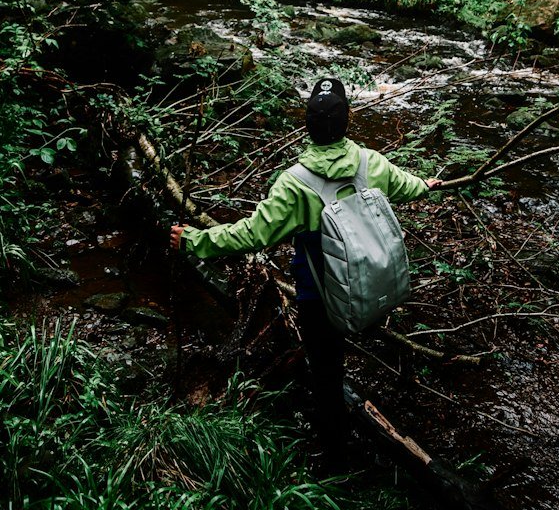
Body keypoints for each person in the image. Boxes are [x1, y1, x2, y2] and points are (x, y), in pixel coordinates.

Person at [170, 76, 439, 458]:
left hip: (320, 300)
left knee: (326, 373)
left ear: (307, 126)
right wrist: (428, 184)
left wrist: (195, 240)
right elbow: (406, 185)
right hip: (369, 284)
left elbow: (251, 235)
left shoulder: (294, 184)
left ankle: (334, 453)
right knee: (341, 355)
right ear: (348, 119)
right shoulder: (370, 162)